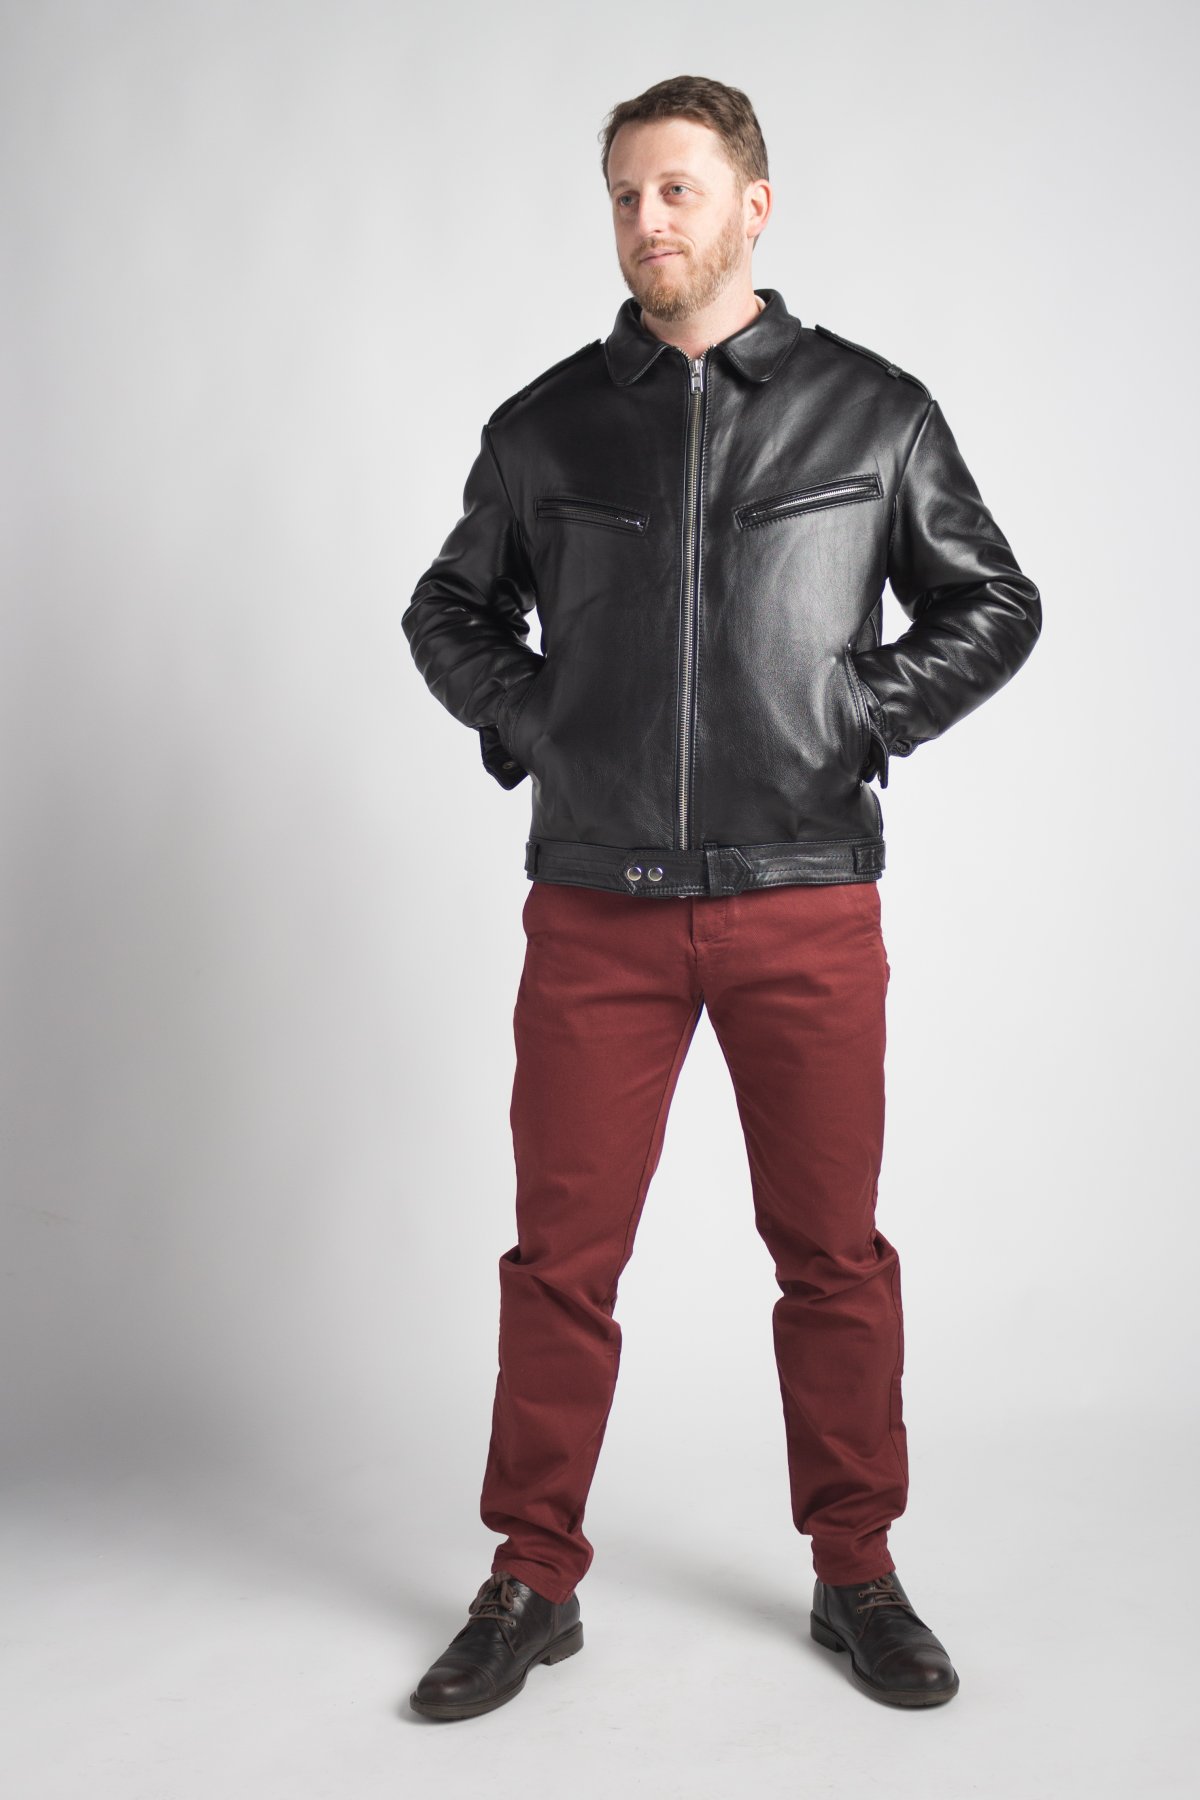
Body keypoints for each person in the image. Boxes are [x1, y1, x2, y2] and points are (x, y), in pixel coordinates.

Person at [401, 74, 1041, 1722]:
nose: (647, 221)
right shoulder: (549, 425)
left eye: (677, 189)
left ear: (755, 204)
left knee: (832, 1257)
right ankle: (532, 1577)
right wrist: (542, 725)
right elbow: (447, 610)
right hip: (595, 905)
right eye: (625, 193)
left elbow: (993, 599)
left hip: (802, 897)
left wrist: (858, 715)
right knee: (561, 1263)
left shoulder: (873, 415)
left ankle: (857, 1569)